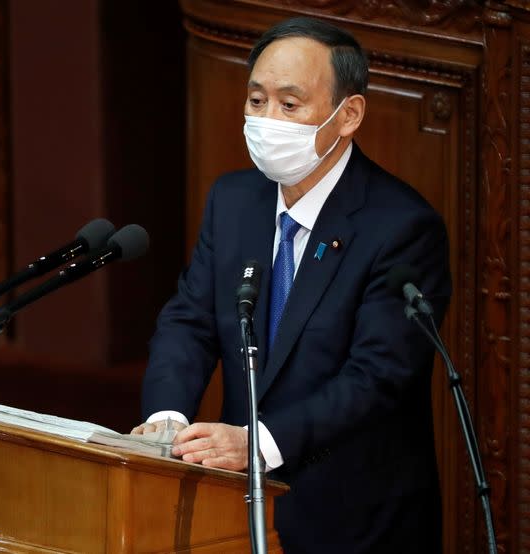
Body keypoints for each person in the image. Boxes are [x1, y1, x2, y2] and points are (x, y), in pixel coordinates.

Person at [132, 16, 451, 553]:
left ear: (348, 114)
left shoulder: (401, 227)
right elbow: (190, 319)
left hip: (355, 517)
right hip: (237, 506)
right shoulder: (234, 201)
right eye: (256, 101)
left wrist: (257, 445)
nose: (266, 119)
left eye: (289, 104)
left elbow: (378, 376)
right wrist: (167, 417)